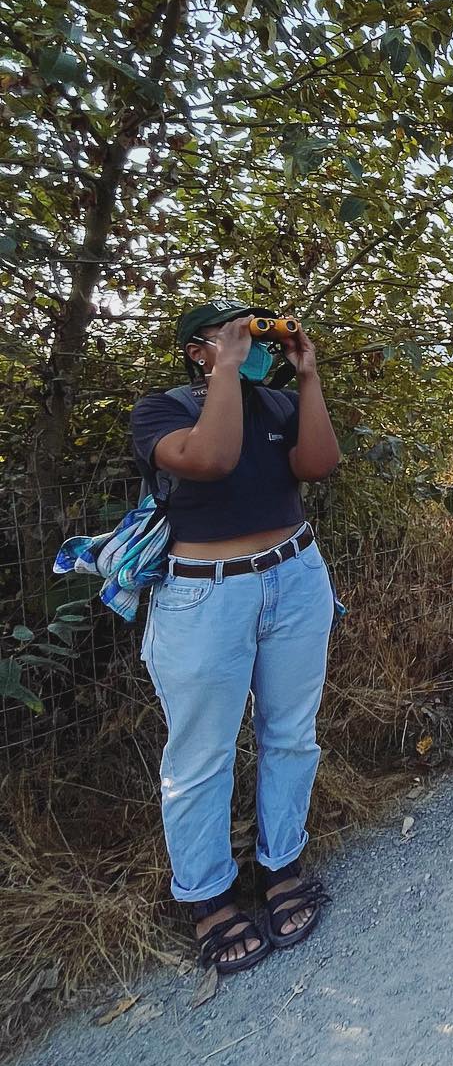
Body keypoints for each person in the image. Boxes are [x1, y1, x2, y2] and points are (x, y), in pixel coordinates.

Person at [130, 298, 342, 975]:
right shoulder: (160, 412)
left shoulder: (277, 406)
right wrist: (224, 369)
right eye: (230, 335)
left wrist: (307, 375)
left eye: (254, 334)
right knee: (201, 754)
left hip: (295, 576)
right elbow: (213, 459)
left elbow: (319, 465)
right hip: (205, 594)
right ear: (197, 349)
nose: (252, 344)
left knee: (291, 733)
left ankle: (282, 865)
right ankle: (208, 897)